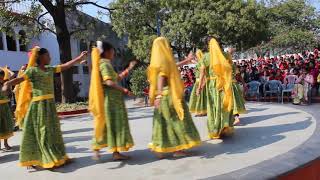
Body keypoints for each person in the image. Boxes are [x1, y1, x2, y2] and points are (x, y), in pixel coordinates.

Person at [2, 47, 87, 169]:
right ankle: (46, 159)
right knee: (44, 132)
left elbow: (65, 66)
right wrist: (7, 84)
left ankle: (58, 156)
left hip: (50, 106)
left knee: (53, 132)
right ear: (40, 57)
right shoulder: (32, 71)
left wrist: (79, 58)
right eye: (47, 55)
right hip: (39, 106)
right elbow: (19, 80)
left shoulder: (50, 69)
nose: (50, 57)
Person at [147, 37, 201, 158]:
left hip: (163, 96)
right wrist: (160, 96)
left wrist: (186, 60)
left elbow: (172, 66)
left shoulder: (158, 61)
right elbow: (162, 76)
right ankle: (178, 149)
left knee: (163, 123)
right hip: (169, 96)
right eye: (167, 44)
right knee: (178, 121)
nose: (169, 47)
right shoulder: (164, 61)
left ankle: (159, 148)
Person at [89, 41, 136, 161]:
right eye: (113, 50)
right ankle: (113, 152)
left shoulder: (103, 63)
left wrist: (128, 69)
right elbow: (109, 82)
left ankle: (101, 149)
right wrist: (125, 90)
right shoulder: (104, 64)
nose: (114, 53)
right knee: (114, 125)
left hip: (111, 100)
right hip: (111, 101)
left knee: (108, 125)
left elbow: (116, 78)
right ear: (107, 51)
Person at [198, 37, 234, 139]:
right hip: (224, 83)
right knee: (224, 104)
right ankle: (225, 125)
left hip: (212, 85)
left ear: (208, 45)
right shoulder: (225, 55)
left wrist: (199, 87)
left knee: (214, 106)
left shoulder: (205, 57)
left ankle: (216, 129)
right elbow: (231, 69)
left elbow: (202, 74)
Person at [225, 48, 246, 126]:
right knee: (233, 103)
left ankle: (236, 118)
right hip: (234, 85)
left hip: (228, 85)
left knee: (230, 103)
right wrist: (244, 84)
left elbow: (238, 75)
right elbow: (238, 75)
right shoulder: (232, 64)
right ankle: (234, 118)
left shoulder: (224, 64)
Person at [189, 49, 207, 116]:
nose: (196, 56)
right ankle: (201, 111)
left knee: (201, 97)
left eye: (196, 55)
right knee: (198, 97)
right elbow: (193, 61)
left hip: (200, 81)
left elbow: (204, 74)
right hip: (197, 81)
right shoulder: (199, 62)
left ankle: (202, 111)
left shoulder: (201, 63)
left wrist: (202, 84)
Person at [0, 68, 14, 150]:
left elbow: (13, 75)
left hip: (5, 106)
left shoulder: (6, 83)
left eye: (2, 76)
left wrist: (7, 70)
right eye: (0, 77)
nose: (1, 78)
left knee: (6, 125)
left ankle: (6, 143)